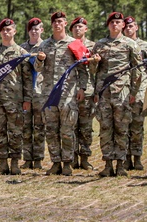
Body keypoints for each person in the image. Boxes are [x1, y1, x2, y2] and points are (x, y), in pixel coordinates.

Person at [35, 12, 90, 175]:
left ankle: (67, 163)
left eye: (60, 21)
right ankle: (55, 162)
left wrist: (82, 88)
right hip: (49, 94)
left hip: (68, 93)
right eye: (54, 22)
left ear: (65, 24)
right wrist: (39, 60)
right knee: (51, 130)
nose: (57, 24)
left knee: (67, 130)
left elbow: (83, 68)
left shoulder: (74, 43)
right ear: (51, 25)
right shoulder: (44, 45)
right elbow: (37, 70)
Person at [0, 19, 35, 175]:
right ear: (0, 32)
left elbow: (27, 78)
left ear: (14, 32)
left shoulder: (22, 53)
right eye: (3, 30)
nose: (6, 32)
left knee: (16, 131)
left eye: (9, 29)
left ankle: (15, 162)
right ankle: (3, 162)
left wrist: (27, 99)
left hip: (15, 99)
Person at [91, 12, 141, 177]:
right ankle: (107, 164)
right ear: (108, 25)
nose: (115, 24)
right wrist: (95, 62)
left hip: (122, 93)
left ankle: (120, 164)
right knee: (105, 128)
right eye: (112, 22)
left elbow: (137, 70)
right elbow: (92, 71)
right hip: (104, 93)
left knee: (121, 128)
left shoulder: (130, 44)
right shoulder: (99, 45)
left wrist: (134, 91)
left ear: (123, 25)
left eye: (118, 22)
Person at [123, 16, 147, 170]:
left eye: (131, 26)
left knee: (137, 126)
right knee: (123, 125)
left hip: (140, 91)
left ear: (136, 27)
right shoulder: (121, 44)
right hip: (123, 89)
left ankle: (137, 157)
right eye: (126, 27)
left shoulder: (145, 46)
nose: (128, 29)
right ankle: (126, 158)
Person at [20, 17, 47, 169]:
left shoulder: (45, 46)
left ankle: (38, 159)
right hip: (25, 91)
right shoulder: (22, 48)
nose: (34, 31)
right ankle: (27, 159)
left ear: (41, 30)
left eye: (37, 29)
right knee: (25, 127)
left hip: (40, 92)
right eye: (32, 29)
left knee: (39, 127)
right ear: (28, 31)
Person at [71, 17, 96, 169]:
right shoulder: (68, 45)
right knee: (71, 126)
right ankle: (72, 157)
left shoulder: (94, 46)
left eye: (80, 26)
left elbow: (98, 71)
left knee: (86, 127)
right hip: (70, 91)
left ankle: (85, 158)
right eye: (75, 27)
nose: (78, 29)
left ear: (86, 29)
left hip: (88, 91)